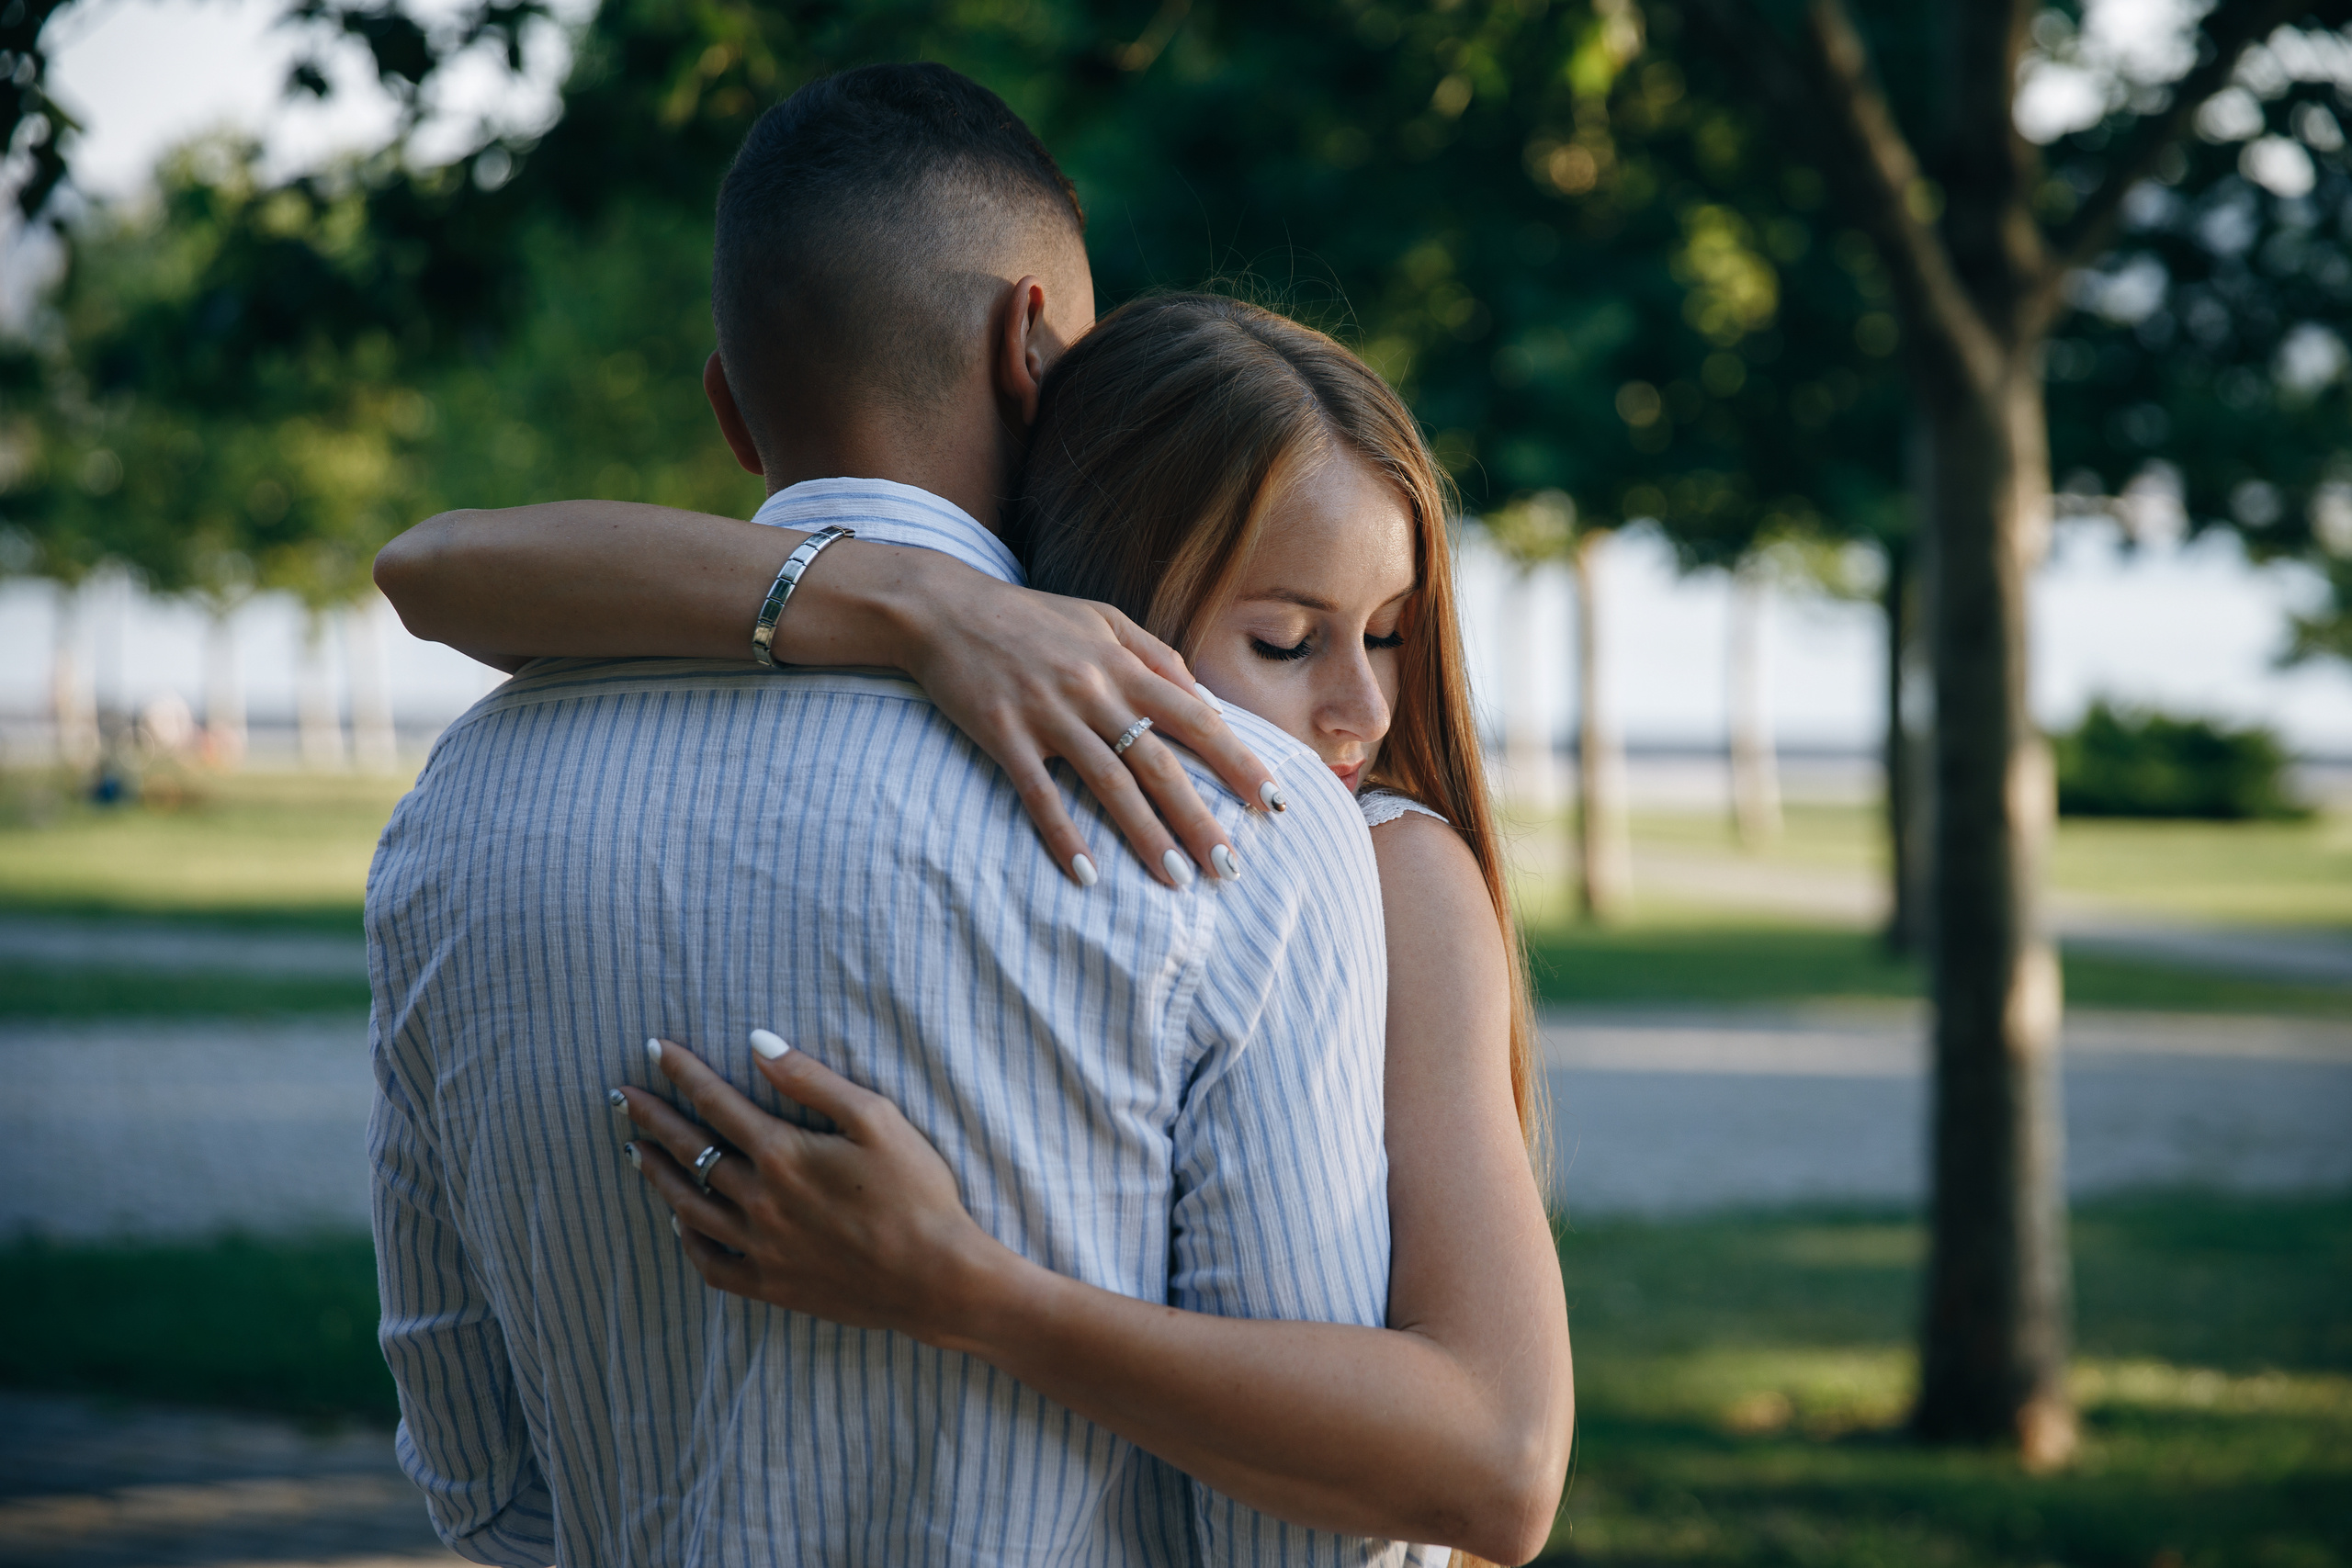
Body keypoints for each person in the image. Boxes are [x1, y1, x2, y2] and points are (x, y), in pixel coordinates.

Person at [368, 65, 1421, 1567]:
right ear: (1033, 343)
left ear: (732, 408)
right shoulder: (1224, 805)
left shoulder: (454, 809)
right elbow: (1306, 1544)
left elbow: (476, 1475)